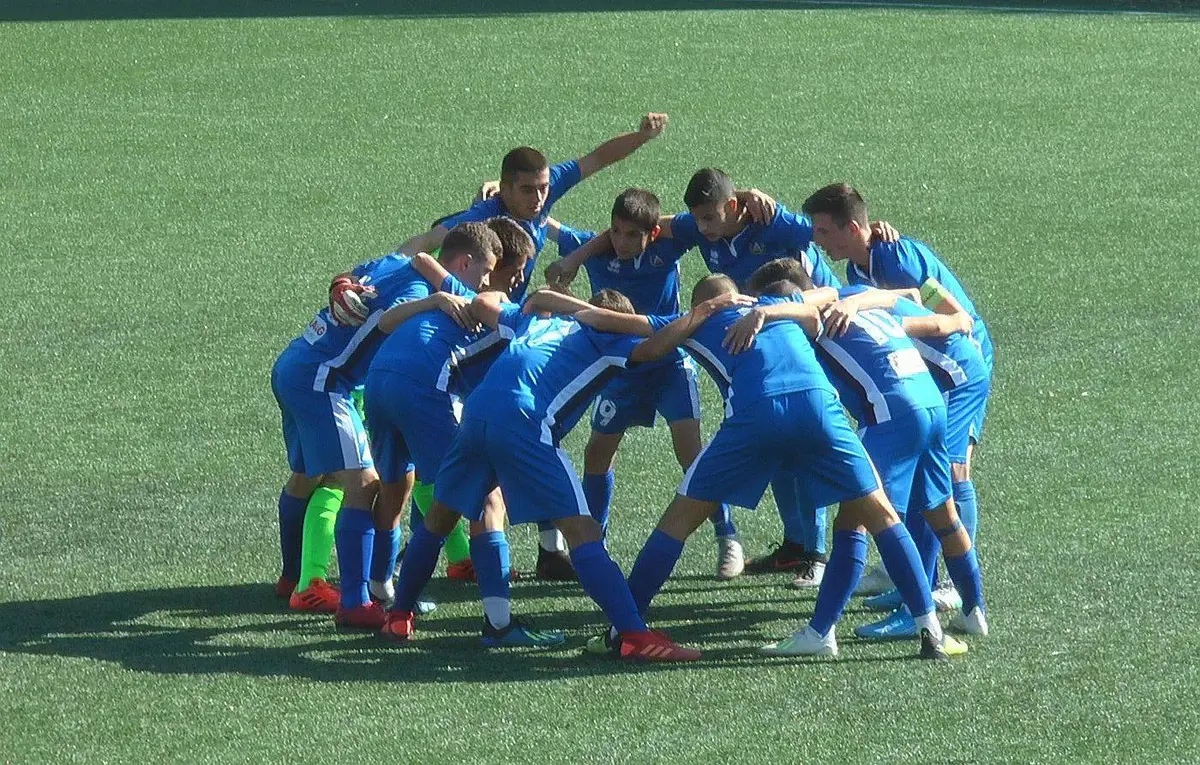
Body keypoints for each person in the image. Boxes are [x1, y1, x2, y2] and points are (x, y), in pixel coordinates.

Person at [579, 274, 967, 660]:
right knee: (882, 516)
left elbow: (639, 340)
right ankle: (930, 631)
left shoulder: (701, 319)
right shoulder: (783, 306)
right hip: (820, 409)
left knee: (678, 521)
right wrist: (771, 310)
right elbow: (819, 307)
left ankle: (624, 631)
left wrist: (701, 312)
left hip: (756, 412)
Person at [379, 286, 747, 659]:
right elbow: (654, 348)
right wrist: (706, 309)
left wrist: (575, 308)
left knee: (439, 518)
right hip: (525, 421)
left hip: (476, 415)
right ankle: (635, 636)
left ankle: (400, 615)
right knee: (581, 530)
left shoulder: (535, 323)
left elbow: (486, 301)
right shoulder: (605, 339)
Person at [724, 276, 988, 647]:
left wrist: (765, 313)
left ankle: (824, 632)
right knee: (942, 514)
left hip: (893, 416)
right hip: (931, 404)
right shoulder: (858, 297)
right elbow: (897, 295)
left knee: (857, 522)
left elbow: (808, 313)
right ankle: (973, 610)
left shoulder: (817, 316)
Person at [271, 222, 500, 629]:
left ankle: (294, 579)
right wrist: (434, 302)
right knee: (363, 484)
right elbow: (387, 323)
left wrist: (341, 283)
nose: (485, 283)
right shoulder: (419, 292)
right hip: (323, 381)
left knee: (308, 477)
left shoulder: (394, 262)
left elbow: (356, 273)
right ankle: (355, 602)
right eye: (485, 273)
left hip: (297, 363)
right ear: (464, 263)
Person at [801, 182, 994, 600]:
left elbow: (949, 314)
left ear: (853, 228)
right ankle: (914, 575)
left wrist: (868, 308)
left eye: (824, 231)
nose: (818, 241)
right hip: (927, 368)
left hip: (960, 365)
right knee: (925, 471)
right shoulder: (859, 269)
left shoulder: (896, 257)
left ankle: (949, 585)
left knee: (952, 471)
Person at [549, 188, 745, 579]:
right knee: (597, 453)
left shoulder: (668, 247)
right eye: (615, 232)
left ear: (652, 234)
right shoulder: (596, 248)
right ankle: (596, 544)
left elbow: (710, 218)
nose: (621, 242)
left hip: (669, 365)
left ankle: (728, 536)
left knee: (691, 454)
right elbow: (550, 229)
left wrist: (749, 196)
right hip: (620, 369)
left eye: (632, 235)